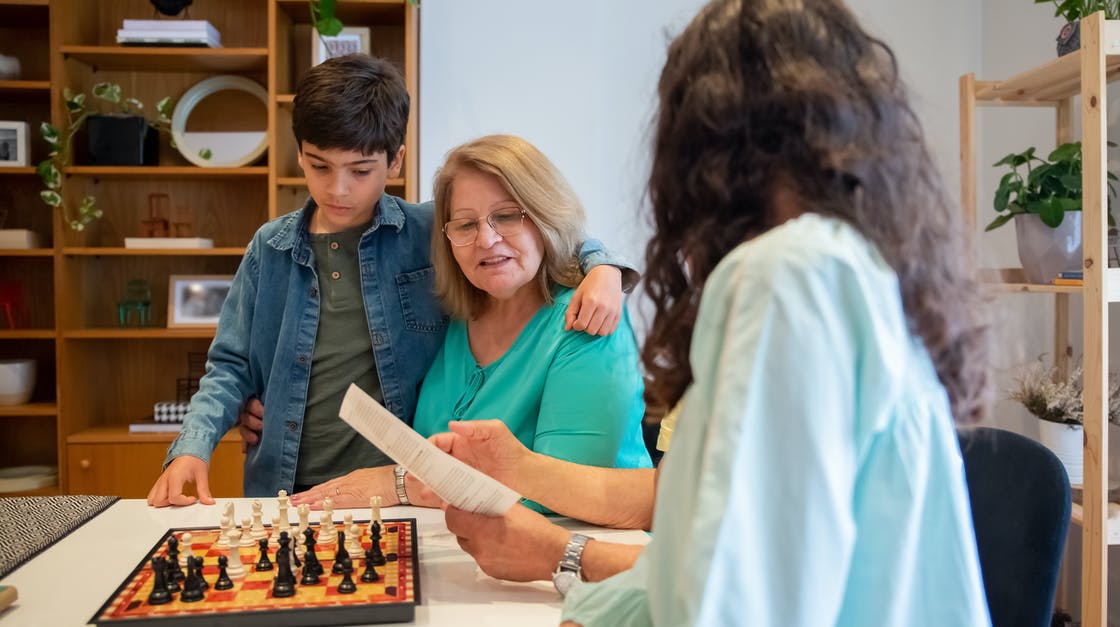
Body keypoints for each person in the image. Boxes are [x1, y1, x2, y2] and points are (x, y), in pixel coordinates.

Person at [439, 0, 993, 624]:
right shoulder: (854, 267)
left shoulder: (787, 278)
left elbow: (733, 603)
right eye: (464, 224)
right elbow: (707, 561)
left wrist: (561, 558)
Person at [145, 55, 634, 508]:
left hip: (399, 492)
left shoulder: (428, 231)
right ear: (299, 155)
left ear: (395, 162)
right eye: (320, 166)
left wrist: (604, 267)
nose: (338, 188)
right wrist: (195, 445)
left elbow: (541, 231)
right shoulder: (269, 249)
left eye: (360, 170)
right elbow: (230, 363)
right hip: (287, 486)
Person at [286, 135, 652, 511]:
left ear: (546, 216)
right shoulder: (456, 318)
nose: (487, 240)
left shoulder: (590, 321)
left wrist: (399, 483)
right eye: (464, 225)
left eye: (507, 216)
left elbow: (561, 495)